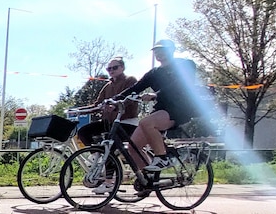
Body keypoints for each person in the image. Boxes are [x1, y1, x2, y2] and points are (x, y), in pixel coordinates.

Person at [117, 39, 205, 180]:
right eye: (156, 51)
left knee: (146, 122)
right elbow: (135, 88)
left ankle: (162, 157)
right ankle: (148, 180)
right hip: (161, 110)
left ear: (172, 50)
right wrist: (113, 100)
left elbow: (179, 84)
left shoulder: (185, 65)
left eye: (162, 50)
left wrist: (155, 94)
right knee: (133, 148)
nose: (159, 53)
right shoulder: (154, 73)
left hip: (180, 109)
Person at [75, 56, 138, 146]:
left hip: (126, 122)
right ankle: (96, 155)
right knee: (83, 132)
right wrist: (79, 111)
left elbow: (130, 98)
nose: (111, 70)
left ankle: (108, 158)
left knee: (109, 146)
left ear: (123, 67)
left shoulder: (130, 80)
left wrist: (115, 107)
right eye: (109, 69)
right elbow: (97, 105)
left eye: (115, 67)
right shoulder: (107, 86)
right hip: (109, 124)